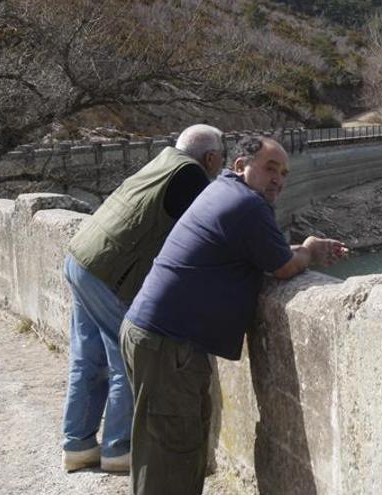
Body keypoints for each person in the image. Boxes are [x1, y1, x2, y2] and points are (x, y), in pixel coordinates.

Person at [120, 136, 347, 494]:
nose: (279, 179)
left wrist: (298, 251)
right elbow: (285, 266)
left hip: (158, 335)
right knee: (171, 454)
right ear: (240, 166)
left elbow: (264, 253)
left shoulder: (222, 192)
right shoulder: (247, 205)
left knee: (176, 447)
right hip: (170, 344)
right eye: (270, 168)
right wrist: (309, 251)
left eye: (284, 173)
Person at [62, 124, 227, 473]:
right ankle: (118, 449)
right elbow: (206, 236)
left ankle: (77, 445)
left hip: (80, 258)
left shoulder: (163, 161)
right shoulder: (191, 177)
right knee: (125, 358)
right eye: (221, 157)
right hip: (109, 272)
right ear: (210, 157)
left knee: (87, 357)